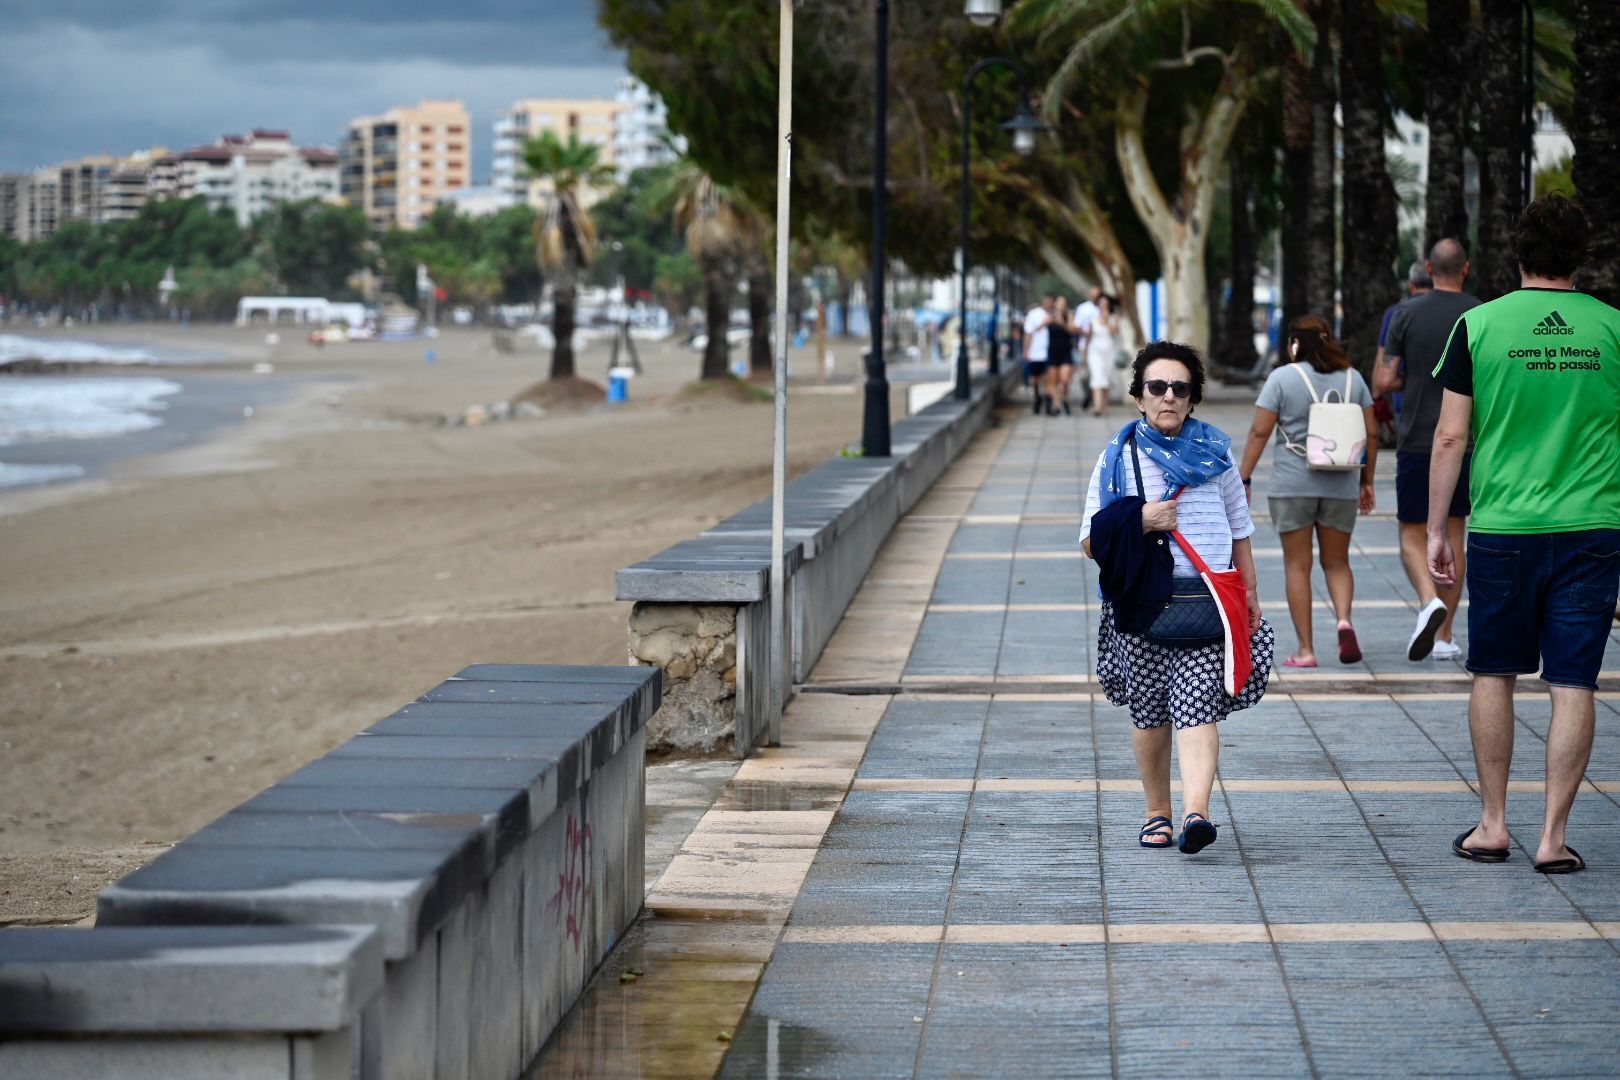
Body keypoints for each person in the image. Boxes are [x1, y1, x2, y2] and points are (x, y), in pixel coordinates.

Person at [1430, 194, 1620, 875]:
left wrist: (1435, 530)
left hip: (1503, 527)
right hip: (1594, 525)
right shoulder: (1612, 329)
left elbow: (1451, 435)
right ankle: (1553, 837)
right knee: (1573, 682)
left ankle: (1493, 824)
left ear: (1516, 254)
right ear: (1580, 256)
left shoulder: (1479, 326)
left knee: (1494, 671)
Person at [1081, 341, 1274, 854]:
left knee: (1197, 707)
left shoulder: (1218, 454)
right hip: (1140, 604)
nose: (1168, 396)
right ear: (1139, 396)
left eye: (1180, 388)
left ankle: (1196, 813)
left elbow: (1240, 527)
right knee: (1150, 715)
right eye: (1157, 387)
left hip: (1207, 598)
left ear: (1192, 398)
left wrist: (1250, 592)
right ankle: (1156, 812)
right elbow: (1090, 540)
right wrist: (1142, 519)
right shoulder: (1116, 457)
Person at [1238, 316, 1377, 667]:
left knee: (1298, 566)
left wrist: (1243, 477)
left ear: (1295, 344)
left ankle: (1306, 650)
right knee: (1337, 562)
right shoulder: (1353, 379)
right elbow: (1371, 434)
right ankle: (1344, 620)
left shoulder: (1283, 378)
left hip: (1292, 484)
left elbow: (1259, 432)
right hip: (1342, 483)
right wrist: (1367, 481)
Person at [1375, 238, 1480, 661]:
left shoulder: (1405, 313)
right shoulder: (1481, 314)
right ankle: (1446, 637)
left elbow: (1384, 380)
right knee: (1456, 533)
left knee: (1411, 533)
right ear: (1466, 269)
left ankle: (1427, 600)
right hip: (1470, 442)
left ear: (1429, 271)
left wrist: (1416, 379)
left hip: (1418, 438)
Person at [1085, 295, 1121, 418]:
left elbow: (1115, 332)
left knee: (1106, 379)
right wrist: (1085, 352)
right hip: (1095, 352)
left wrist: (1106, 321)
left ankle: (1104, 405)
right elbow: (1089, 337)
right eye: (1101, 304)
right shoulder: (1093, 319)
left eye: (1105, 304)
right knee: (1097, 377)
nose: (1103, 306)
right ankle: (1097, 407)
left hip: (1109, 352)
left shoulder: (1113, 318)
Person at [1044, 297, 1078, 415]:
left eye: (1063, 303)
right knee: (1053, 380)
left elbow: (1071, 330)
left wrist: (1062, 318)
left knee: (1064, 380)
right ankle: (1057, 403)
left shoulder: (1069, 315)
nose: (1061, 305)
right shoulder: (1050, 315)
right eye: (1059, 303)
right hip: (1053, 351)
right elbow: (1042, 325)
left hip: (1065, 351)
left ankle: (1065, 398)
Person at [1023, 293, 1054, 415]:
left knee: (1048, 380)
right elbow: (1028, 333)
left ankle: (1049, 406)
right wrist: (1026, 350)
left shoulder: (1056, 315)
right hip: (1036, 353)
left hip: (1049, 353)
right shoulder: (1035, 314)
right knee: (1035, 379)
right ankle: (1037, 397)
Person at [1074, 286, 1102, 408]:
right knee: (1084, 375)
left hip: (1101, 347)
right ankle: (1088, 393)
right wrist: (1087, 332)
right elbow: (1075, 326)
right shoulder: (1083, 308)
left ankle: (1096, 397)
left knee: (1098, 374)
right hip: (1085, 346)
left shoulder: (1104, 308)